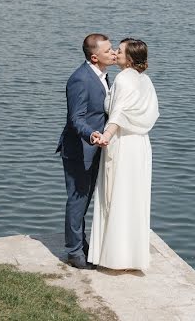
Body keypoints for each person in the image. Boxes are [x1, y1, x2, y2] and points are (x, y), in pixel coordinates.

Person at [88, 38, 159, 271]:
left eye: (120, 50)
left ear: (129, 58)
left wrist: (106, 135)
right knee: (134, 197)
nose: (115, 53)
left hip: (123, 142)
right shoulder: (145, 81)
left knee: (116, 194)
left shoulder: (123, 78)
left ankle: (115, 256)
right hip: (141, 144)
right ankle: (133, 257)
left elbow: (118, 113)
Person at [56, 33, 116, 269]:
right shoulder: (80, 79)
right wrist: (91, 135)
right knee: (77, 199)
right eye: (108, 51)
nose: (113, 53)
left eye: (113, 49)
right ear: (94, 57)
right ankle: (74, 253)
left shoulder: (102, 75)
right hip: (79, 149)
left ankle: (81, 244)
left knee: (86, 199)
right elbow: (76, 119)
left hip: (95, 148)